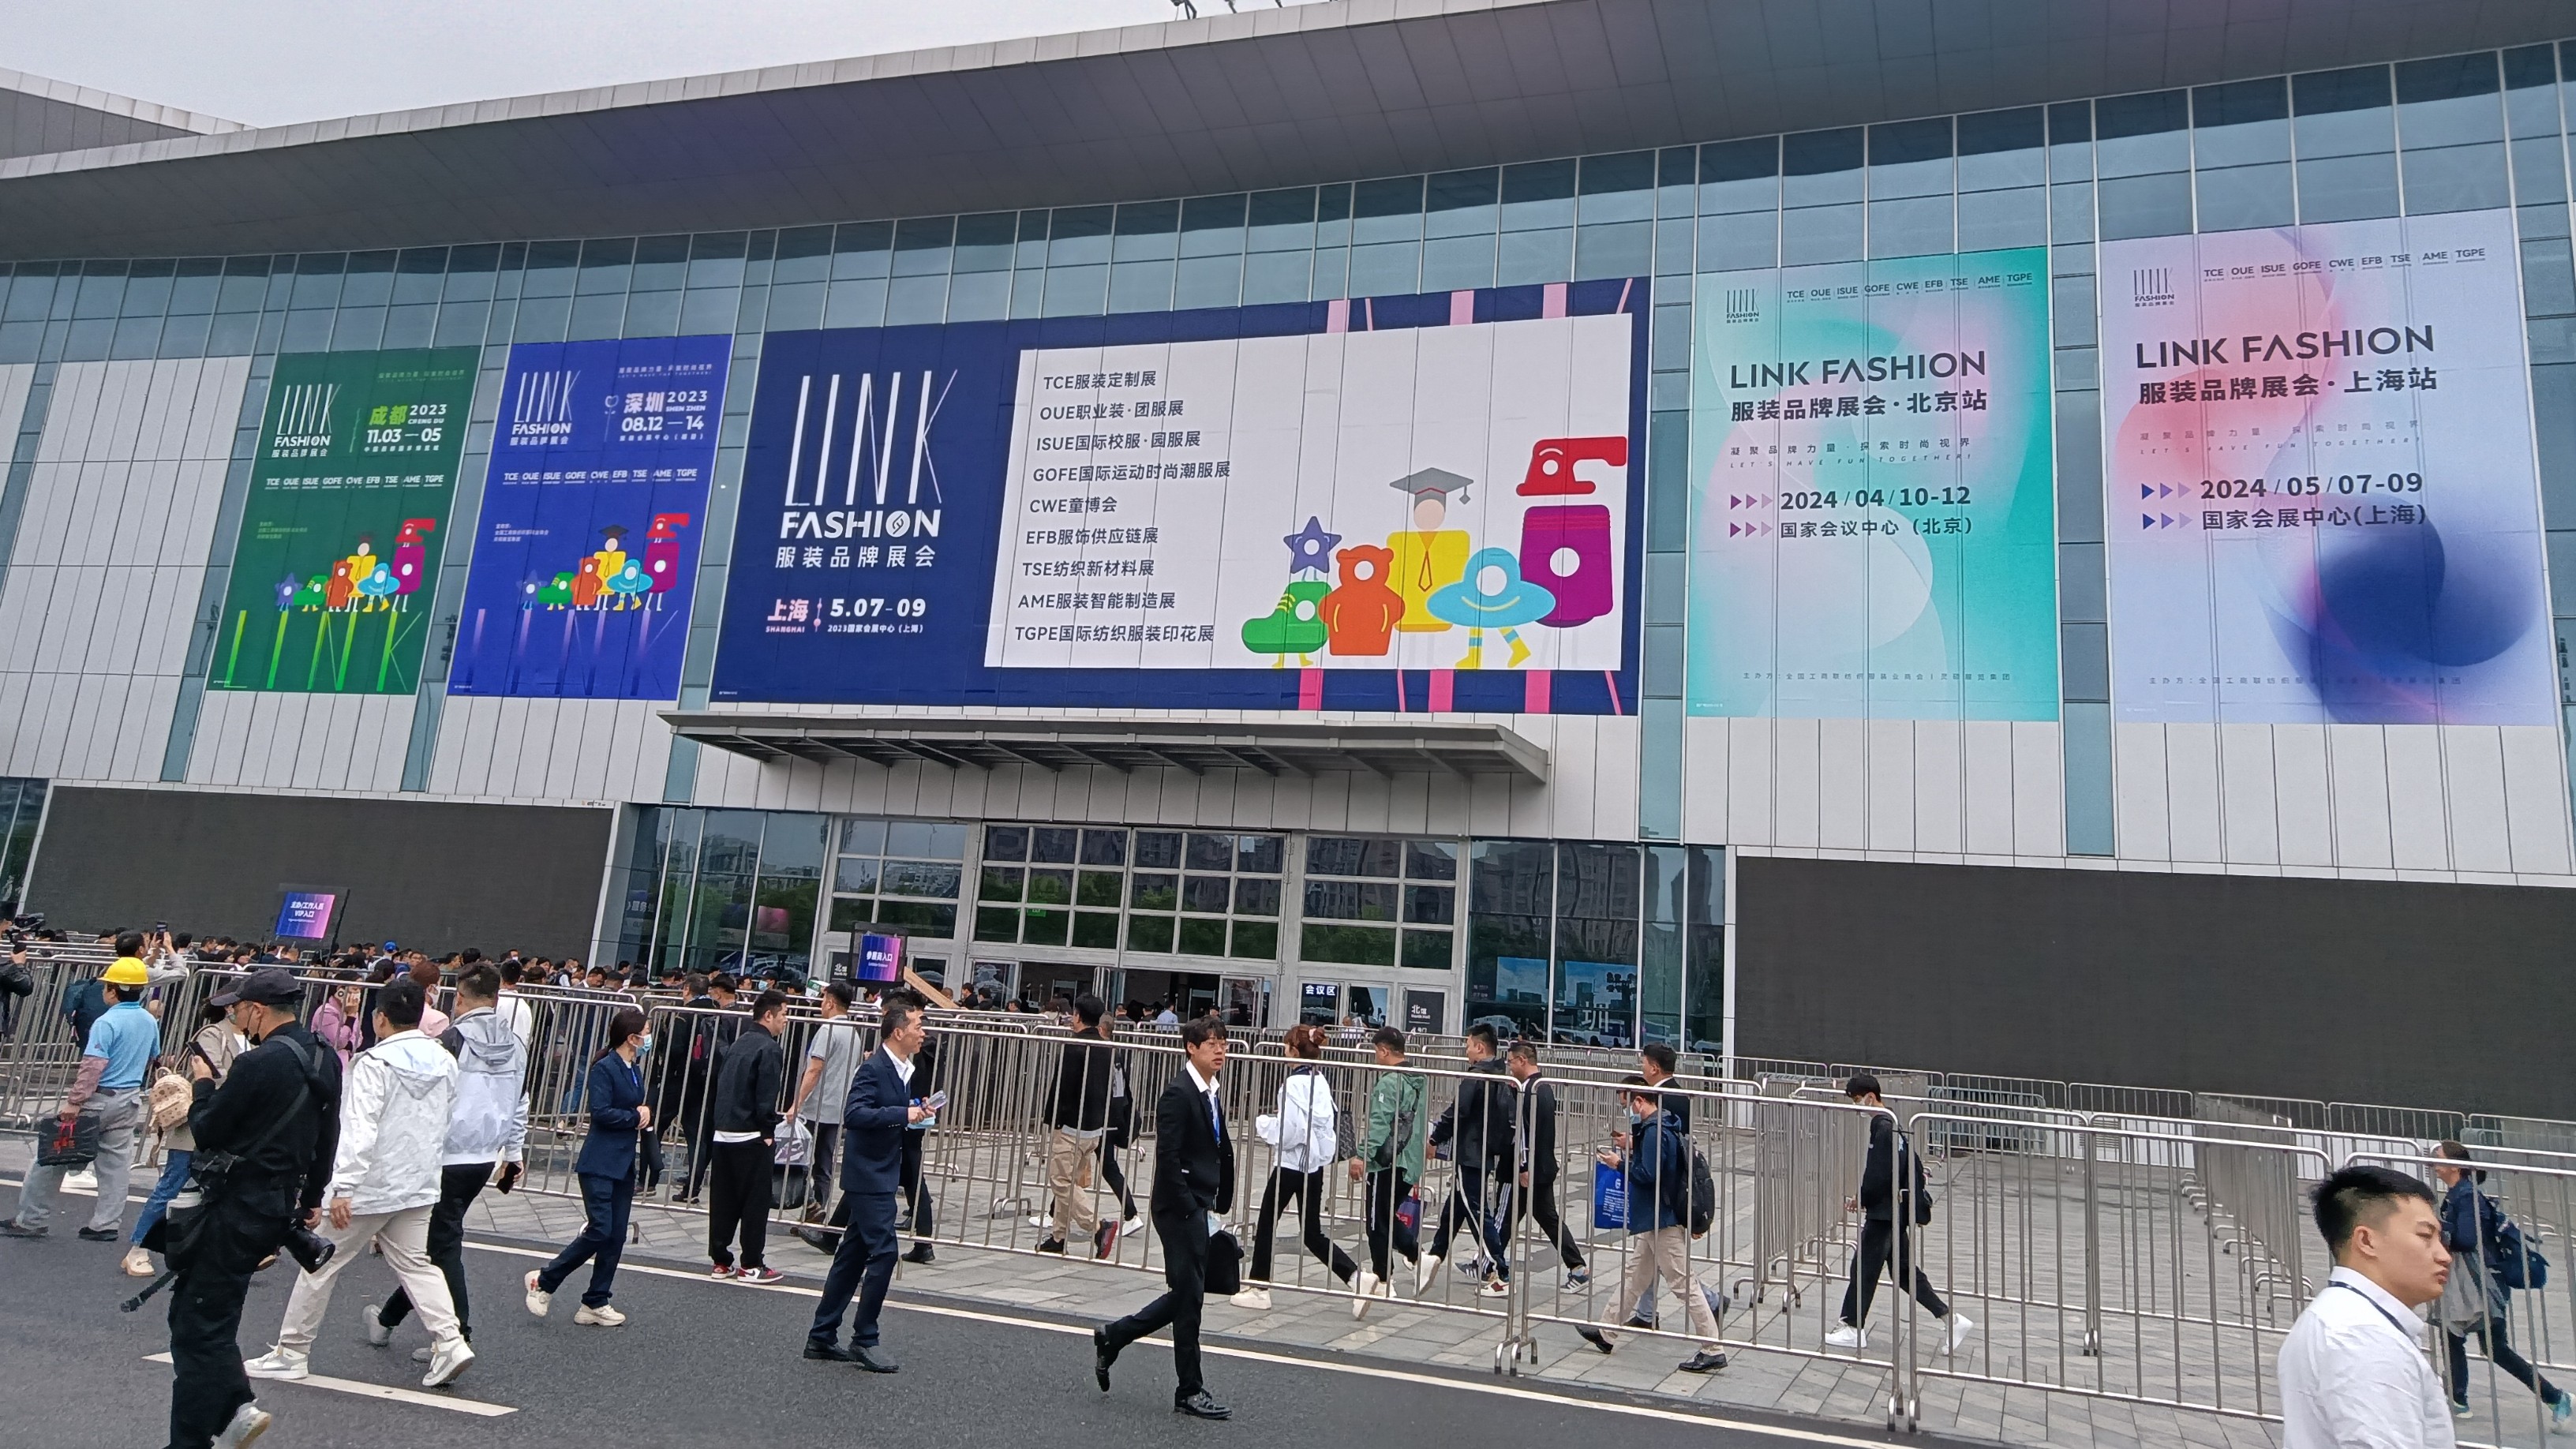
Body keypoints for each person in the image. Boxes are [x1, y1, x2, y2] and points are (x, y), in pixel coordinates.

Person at [243, 976, 474, 1390]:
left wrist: (343, 1187)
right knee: (416, 1264)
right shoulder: (445, 1061)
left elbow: (359, 1128)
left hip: (371, 1185)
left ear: (380, 1018)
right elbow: (446, 1120)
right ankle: (450, 1341)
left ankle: (292, 1352)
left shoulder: (374, 1063)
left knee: (320, 1265)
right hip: (418, 1182)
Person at [161, 968, 338, 1449]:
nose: (236, 1019)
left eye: (237, 1010)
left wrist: (202, 1085)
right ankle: (233, 1406)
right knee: (203, 1316)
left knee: (200, 1325)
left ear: (256, 1010)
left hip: (235, 1206)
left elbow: (208, 1129)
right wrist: (313, 1197)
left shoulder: (256, 1063)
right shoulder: (323, 1056)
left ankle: (208, 1428)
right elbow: (329, 1133)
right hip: (278, 1206)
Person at [370, 963, 528, 1359]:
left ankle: (456, 1336)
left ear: (459, 998)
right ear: (496, 997)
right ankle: (387, 1319)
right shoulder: (515, 1043)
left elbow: (427, 1099)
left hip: (446, 1153)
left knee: (441, 1246)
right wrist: (513, 1152)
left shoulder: (452, 1039)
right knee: (436, 1241)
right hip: (485, 1155)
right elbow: (520, 1101)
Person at [1093, 1016, 1236, 1420]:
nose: (1220, 1050)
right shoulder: (1178, 1093)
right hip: (1178, 1208)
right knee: (1190, 1299)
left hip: (1199, 1203)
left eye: (1223, 1043)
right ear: (1191, 1048)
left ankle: (1114, 1336)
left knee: (1186, 1294)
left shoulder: (1210, 1090)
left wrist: (1217, 1198)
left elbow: (1217, 1147)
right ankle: (1189, 1390)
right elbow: (1168, 1157)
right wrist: (1189, 1205)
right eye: (1212, 1043)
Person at [2280, 1164, 2458, 1449]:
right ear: (2366, 1240)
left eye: (2441, 1239)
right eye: (2425, 1236)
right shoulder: (2363, 1337)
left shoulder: (2342, 1318)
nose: (2444, 1256)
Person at [805, 995, 932, 1373]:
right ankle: (865, 1338)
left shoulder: (903, 1068)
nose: (923, 1032)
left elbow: (892, 1113)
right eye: (917, 1026)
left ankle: (822, 1335)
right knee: (885, 1253)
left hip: (882, 1171)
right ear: (898, 1032)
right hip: (868, 1175)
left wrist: (918, 1113)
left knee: (851, 1257)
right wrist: (903, 1112)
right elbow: (856, 1113)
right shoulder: (874, 1068)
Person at [1571, 1076, 1726, 1372]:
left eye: (1628, 1104)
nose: (1627, 1111)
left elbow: (1648, 1174)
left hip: (1661, 1219)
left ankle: (1713, 1348)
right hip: (1654, 1218)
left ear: (1641, 1101)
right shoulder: (1662, 1126)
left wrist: (1618, 1163)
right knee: (1635, 1276)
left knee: (1684, 1284)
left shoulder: (1656, 1130)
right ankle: (1606, 1331)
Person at [2, 953, 157, 1241]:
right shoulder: (149, 1020)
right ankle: (106, 1224)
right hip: (130, 1098)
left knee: (50, 1158)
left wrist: (74, 1102)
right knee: (115, 1167)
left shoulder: (106, 1022)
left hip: (98, 1099)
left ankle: (32, 1219)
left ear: (113, 990)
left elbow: (92, 1066)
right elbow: (153, 1056)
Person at [1825, 1074, 1973, 1353]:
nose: (1857, 1106)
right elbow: (1910, 1163)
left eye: (1857, 1100)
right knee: (1903, 1272)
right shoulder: (1893, 1123)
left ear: (1870, 1097)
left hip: (1885, 1212)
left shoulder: (1882, 1127)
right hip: (1896, 1209)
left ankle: (1853, 1327)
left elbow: (1878, 1172)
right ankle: (1950, 1319)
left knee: (1864, 1268)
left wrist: (1863, 1197)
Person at [526, 1006, 652, 1327]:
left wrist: (644, 1112)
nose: (649, 1038)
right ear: (632, 1037)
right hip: (599, 1161)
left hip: (624, 1162)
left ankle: (596, 1301)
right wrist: (635, 1116)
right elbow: (601, 1112)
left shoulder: (633, 1068)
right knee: (600, 1229)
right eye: (646, 1033)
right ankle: (545, 1280)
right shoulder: (604, 1068)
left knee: (616, 1236)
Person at [2431, 1141, 2570, 1428]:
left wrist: (2437, 1228)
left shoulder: (2466, 1196)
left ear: (2455, 1166)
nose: (2434, 1164)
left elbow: (2467, 1239)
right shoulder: (2460, 1194)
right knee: (2470, 1339)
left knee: (2482, 1343)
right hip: (2474, 1282)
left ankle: (2554, 1397)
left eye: (2438, 1158)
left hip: (2480, 1283)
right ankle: (2459, 1398)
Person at [1236, 1023, 1358, 1309]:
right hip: (1314, 1164)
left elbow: (1290, 1131)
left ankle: (1259, 1286)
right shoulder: (1320, 1079)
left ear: (1293, 1050)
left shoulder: (1292, 1084)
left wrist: (1265, 1125)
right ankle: (1354, 1276)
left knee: (1267, 1222)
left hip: (1291, 1163)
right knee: (1312, 1232)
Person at [125, 1002, 249, 1277]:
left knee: (220, 1191)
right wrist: (252, 1079)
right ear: (231, 1007)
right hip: (196, 1125)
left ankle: (209, 1252)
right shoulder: (212, 1034)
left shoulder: (255, 1038)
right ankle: (138, 1247)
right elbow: (213, 1076)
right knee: (172, 1185)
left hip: (229, 1126)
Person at [1421, 1022, 1515, 1297]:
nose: (1466, 1051)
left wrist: (1435, 1138)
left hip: (1471, 1151)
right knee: (1455, 1208)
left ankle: (1500, 1271)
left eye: (1468, 1045)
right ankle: (1435, 1254)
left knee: (1476, 1212)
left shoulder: (1477, 1076)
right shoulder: (1500, 1076)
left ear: (1480, 1047)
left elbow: (1457, 1111)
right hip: (1483, 1151)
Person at [708, 989, 788, 1284]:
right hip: (751, 1134)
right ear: (768, 1015)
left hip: (723, 1131)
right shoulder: (769, 1049)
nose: (785, 1020)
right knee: (754, 1203)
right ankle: (752, 1264)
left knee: (723, 1201)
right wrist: (768, 1130)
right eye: (783, 1014)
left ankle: (720, 1261)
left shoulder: (738, 1044)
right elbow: (766, 1095)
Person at [1348, 1025, 1425, 1317]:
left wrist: (1362, 1155)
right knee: (1384, 1217)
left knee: (1376, 1221)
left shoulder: (1389, 1082)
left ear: (1383, 1050)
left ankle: (1384, 1278)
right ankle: (1413, 1261)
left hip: (1387, 1162)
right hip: (1409, 1160)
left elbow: (1380, 1124)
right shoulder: (1418, 1079)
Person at [1503, 1039, 1588, 1288]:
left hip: (1532, 1168)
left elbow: (1525, 1132)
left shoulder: (1530, 1090)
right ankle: (1486, 1261)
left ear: (1523, 1060)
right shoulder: (1543, 1088)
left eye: (1511, 1062)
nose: (1509, 1067)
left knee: (1515, 1216)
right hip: (1541, 1166)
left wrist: (1524, 1165)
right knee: (1520, 1216)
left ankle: (1487, 1263)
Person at [1040, 994, 1119, 1259]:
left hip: (1071, 1126)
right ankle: (1058, 1236)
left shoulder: (1074, 1047)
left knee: (1061, 1181)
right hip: (1094, 1127)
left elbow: (1061, 1088)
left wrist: (1053, 1119)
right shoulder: (1107, 1048)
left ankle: (1097, 1226)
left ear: (1077, 1015)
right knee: (1071, 1181)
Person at [786, 982, 863, 1223]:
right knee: (825, 1164)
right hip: (838, 1107)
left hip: (816, 1106)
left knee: (797, 1158)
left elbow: (814, 1069)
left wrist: (797, 1103)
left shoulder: (828, 1029)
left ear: (830, 1002)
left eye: (823, 1000)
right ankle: (817, 1209)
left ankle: (810, 1204)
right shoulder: (853, 1033)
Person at [312, 980, 365, 1067]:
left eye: (360, 990)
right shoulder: (326, 1011)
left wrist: (349, 1045)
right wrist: (350, 1018)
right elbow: (339, 1042)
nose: (358, 993)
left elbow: (358, 1037)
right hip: (327, 1062)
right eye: (355, 989)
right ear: (341, 990)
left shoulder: (352, 1010)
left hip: (345, 1060)